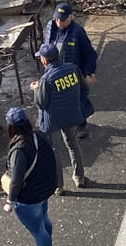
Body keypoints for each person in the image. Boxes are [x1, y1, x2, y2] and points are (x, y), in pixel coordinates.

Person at [0, 106, 61, 246]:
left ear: (10, 127)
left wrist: (10, 201)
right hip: (43, 190)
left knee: (37, 230)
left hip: (28, 197)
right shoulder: (39, 136)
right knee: (44, 220)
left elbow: (16, 179)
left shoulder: (19, 149)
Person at [32, 42, 88, 189]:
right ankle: (79, 177)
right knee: (73, 144)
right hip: (72, 116)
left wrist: (36, 89)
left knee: (55, 151)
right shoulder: (72, 69)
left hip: (53, 120)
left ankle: (58, 186)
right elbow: (84, 89)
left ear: (45, 60)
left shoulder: (46, 79)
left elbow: (41, 103)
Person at [45, 2, 98, 131]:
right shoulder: (50, 27)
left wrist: (89, 73)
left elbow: (91, 54)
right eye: (57, 18)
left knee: (76, 99)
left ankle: (81, 126)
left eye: (62, 20)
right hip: (55, 71)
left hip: (73, 74)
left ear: (70, 18)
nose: (59, 22)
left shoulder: (77, 32)